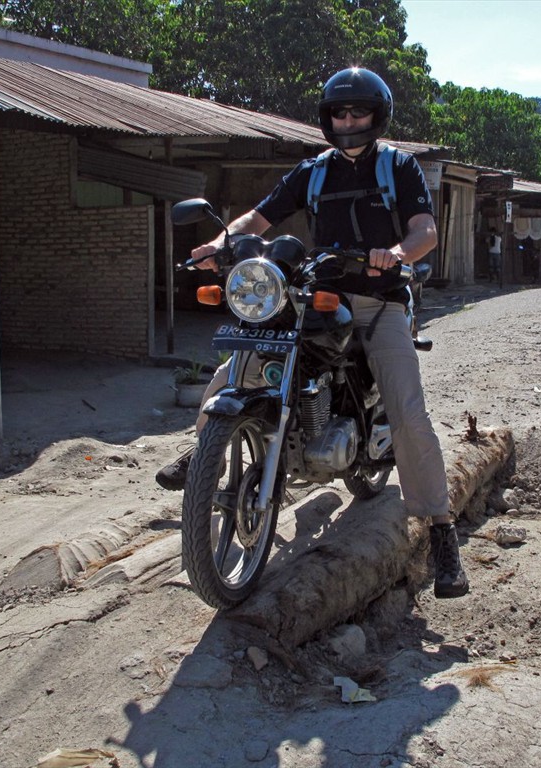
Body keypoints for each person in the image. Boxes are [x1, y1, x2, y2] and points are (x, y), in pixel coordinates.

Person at [156, 67, 469, 599]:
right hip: (315, 294)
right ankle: (207, 448)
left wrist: (395, 254)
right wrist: (217, 244)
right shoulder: (315, 171)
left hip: (379, 300)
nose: (348, 121)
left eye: (359, 112)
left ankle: (441, 531)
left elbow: (425, 230)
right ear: (328, 118)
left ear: (376, 116)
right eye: (340, 113)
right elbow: (260, 216)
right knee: (244, 360)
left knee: (408, 411)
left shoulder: (399, 167)